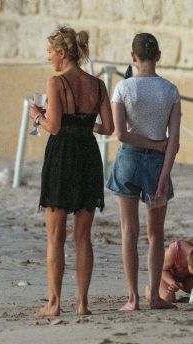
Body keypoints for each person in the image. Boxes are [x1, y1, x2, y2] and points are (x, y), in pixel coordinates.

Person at [29, 26, 114, 316]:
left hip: (62, 155)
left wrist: (37, 115)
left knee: (55, 236)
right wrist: (86, 125)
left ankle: (54, 303)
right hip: (88, 154)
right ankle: (82, 303)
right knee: (83, 236)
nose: (49, 56)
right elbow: (109, 128)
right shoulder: (98, 84)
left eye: (51, 51)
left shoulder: (56, 82)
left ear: (62, 53)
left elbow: (53, 126)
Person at [106, 32, 181, 311]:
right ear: (158, 56)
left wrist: (148, 143)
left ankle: (132, 298)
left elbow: (121, 135)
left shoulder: (123, 89)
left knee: (129, 230)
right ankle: (154, 297)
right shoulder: (170, 91)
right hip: (157, 165)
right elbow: (173, 141)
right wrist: (164, 174)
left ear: (133, 57)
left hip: (128, 161)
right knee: (156, 235)